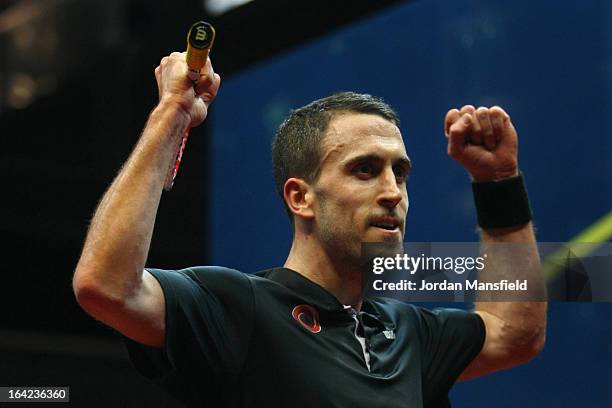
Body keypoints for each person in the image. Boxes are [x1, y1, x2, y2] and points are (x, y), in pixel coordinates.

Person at [73, 52, 547, 407]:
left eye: (399, 172)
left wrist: (498, 182)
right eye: (365, 170)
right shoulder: (241, 309)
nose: (393, 192)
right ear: (301, 198)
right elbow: (107, 285)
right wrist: (172, 114)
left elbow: (514, 332)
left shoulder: (408, 334)